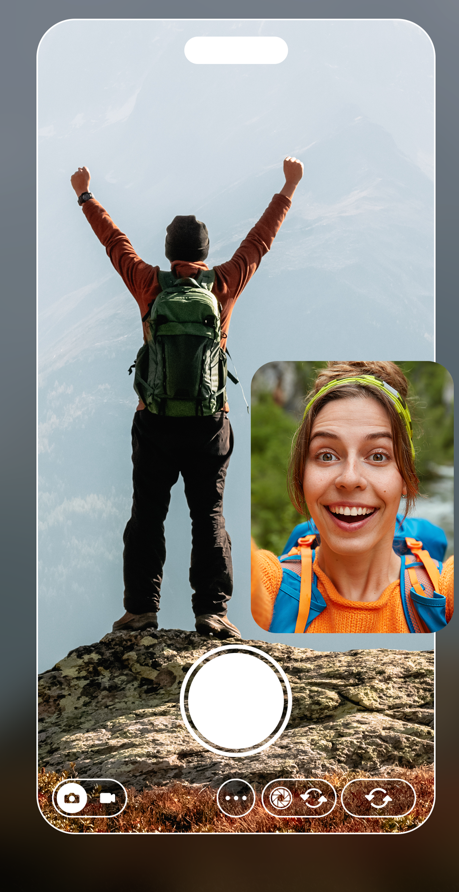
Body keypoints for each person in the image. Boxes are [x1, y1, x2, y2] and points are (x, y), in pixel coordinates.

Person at [70, 157, 304, 638]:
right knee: (209, 516)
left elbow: (115, 244)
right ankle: (212, 614)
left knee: (147, 514)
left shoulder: (148, 283)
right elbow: (260, 242)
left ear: (168, 251)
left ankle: (140, 611)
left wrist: (85, 195)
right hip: (207, 425)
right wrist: (288, 188)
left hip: (154, 422)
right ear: (204, 251)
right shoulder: (222, 285)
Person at [251, 361, 454, 634]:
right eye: (326, 455)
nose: (349, 479)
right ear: (302, 474)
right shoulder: (271, 585)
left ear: (406, 477)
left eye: (378, 456)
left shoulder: (443, 592)